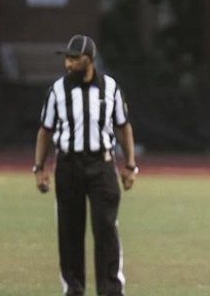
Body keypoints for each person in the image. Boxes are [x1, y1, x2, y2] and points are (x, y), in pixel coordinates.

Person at [34, 35, 138, 296]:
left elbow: (123, 126)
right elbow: (45, 131)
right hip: (68, 164)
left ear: (89, 60)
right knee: (69, 230)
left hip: (101, 164)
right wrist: (40, 168)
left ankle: (111, 290)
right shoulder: (57, 91)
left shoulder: (111, 88)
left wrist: (130, 165)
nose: (68, 64)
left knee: (106, 228)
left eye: (74, 58)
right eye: (66, 58)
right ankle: (73, 289)